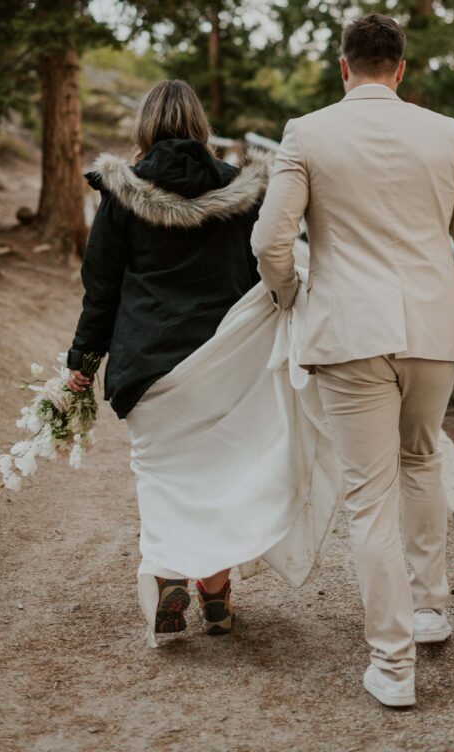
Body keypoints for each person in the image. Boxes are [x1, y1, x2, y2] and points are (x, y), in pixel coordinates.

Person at [251, 13, 454, 708]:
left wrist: (291, 293)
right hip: (430, 330)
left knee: (368, 495)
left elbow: (269, 238)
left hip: (348, 333)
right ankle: (428, 608)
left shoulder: (307, 133)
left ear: (343, 66)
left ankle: (392, 667)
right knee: (421, 461)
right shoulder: (444, 134)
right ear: (399, 68)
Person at [65, 79, 270, 638]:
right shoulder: (243, 192)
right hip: (226, 361)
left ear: (146, 127)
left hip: (148, 365)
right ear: (201, 126)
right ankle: (217, 592)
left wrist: (82, 361)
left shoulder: (121, 193)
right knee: (221, 476)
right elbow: (262, 277)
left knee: (160, 477)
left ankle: (170, 574)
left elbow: (101, 288)